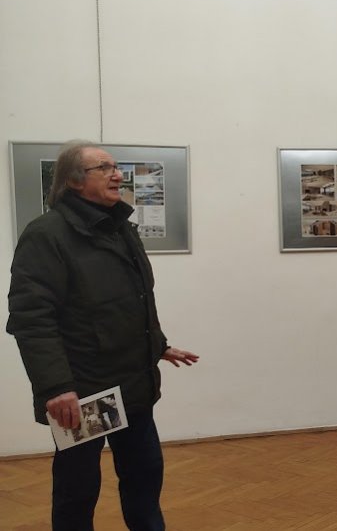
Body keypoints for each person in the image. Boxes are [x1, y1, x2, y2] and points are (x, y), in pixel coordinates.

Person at [7, 140, 199, 531]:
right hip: (85, 393)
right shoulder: (47, 234)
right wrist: (57, 387)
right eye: (105, 168)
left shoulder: (120, 228)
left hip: (134, 384)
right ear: (75, 180)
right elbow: (32, 317)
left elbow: (133, 300)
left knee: (145, 478)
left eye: (116, 167)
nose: (117, 175)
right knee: (78, 490)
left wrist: (157, 345)